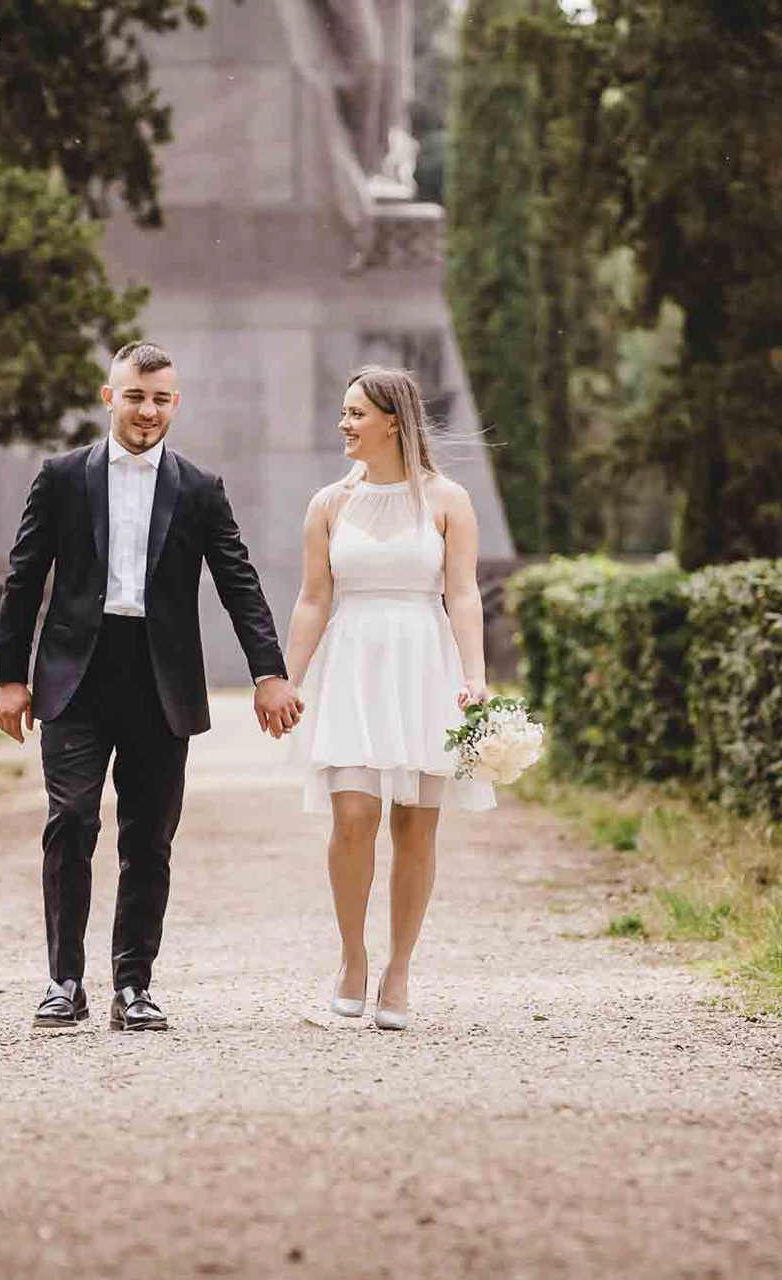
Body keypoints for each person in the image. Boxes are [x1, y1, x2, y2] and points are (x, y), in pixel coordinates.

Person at [0, 340, 304, 1032]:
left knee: (149, 839)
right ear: (110, 398)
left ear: (175, 405)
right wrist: (11, 678)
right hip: (75, 675)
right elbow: (23, 579)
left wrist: (268, 672)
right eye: (135, 396)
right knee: (70, 821)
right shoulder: (61, 477)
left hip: (162, 681)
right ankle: (63, 981)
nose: (147, 410)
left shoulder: (199, 488)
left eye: (161, 399)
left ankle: (133, 985)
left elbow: (239, 583)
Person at [281, 366, 494, 1032]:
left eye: (354, 414)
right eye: (343, 413)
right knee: (351, 818)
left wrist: (475, 676)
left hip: (423, 660)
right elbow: (314, 598)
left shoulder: (448, 500)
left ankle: (400, 970)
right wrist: (286, 680)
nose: (343, 424)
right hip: (352, 664)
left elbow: (462, 593)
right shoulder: (329, 504)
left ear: (392, 421)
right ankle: (352, 958)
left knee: (417, 826)